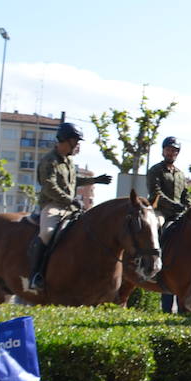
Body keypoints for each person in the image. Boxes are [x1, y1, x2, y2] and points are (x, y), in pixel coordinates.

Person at [29, 121, 110, 291]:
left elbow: (74, 181)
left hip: (70, 206)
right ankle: (36, 274)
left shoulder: (68, 162)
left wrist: (95, 180)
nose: (78, 146)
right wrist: (70, 200)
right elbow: (49, 186)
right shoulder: (49, 160)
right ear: (67, 140)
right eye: (76, 142)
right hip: (53, 205)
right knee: (47, 233)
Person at [146, 136, 191, 312]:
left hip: (178, 213)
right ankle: (153, 265)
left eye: (174, 150)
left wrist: (188, 207)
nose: (171, 152)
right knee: (157, 228)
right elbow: (155, 194)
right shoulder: (155, 170)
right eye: (168, 149)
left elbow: (185, 194)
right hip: (160, 211)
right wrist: (173, 206)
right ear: (163, 150)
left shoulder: (180, 174)